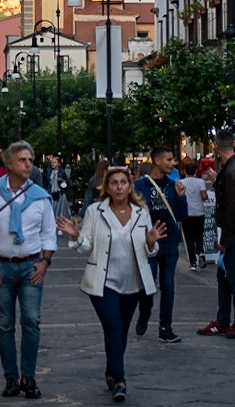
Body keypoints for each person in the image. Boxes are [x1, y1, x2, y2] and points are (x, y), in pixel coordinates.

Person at [56, 166, 163, 403]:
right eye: (114, 183)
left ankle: (111, 371)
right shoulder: (96, 211)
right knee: (113, 326)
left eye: (123, 182)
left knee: (121, 330)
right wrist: (75, 236)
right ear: (107, 187)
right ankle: (120, 380)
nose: (119, 187)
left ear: (129, 186)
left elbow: (149, 250)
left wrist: (151, 242)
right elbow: (87, 246)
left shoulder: (140, 212)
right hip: (103, 281)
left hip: (133, 282)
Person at [0, 141, 57, 399]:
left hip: (31, 267)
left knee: (32, 321)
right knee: (4, 325)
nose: (28, 164)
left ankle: (28, 377)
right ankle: (11, 378)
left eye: (30, 160)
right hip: (0, 267)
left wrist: (44, 263)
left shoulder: (40, 197)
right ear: (9, 165)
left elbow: (49, 234)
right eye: (22, 160)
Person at [199, 131, 235, 338]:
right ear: (232, 143)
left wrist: (224, 239)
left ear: (215, 145)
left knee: (232, 276)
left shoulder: (231, 170)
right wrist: (217, 180)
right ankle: (223, 320)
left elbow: (232, 206)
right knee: (224, 275)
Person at [133, 146, 188, 343]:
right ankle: (144, 311)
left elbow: (182, 216)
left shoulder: (174, 186)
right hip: (148, 243)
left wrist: (182, 198)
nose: (173, 163)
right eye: (169, 159)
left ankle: (166, 326)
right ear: (158, 161)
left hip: (170, 242)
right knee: (148, 286)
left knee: (168, 286)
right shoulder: (140, 185)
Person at [180, 166, 209, 269]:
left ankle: (193, 262)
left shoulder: (181, 182)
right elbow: (204, 196)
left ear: (184, 171)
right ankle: (200, 252)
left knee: (189, 238)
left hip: (187, 212)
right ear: (196, 171)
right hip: (199, 212)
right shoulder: (200, 182)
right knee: (199, 235)